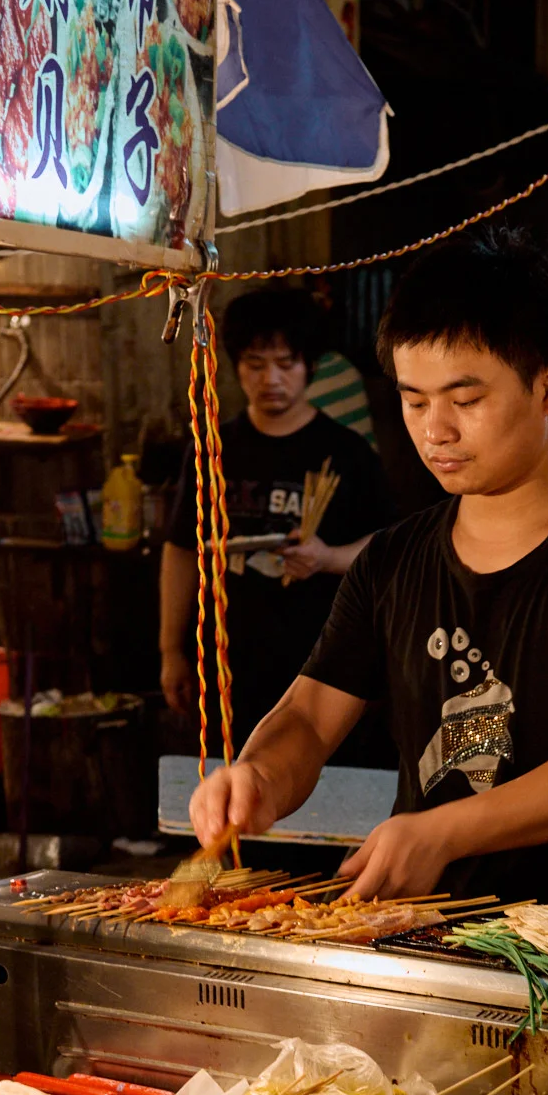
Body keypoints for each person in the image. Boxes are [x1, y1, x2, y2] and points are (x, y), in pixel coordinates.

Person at [186, 228, 548, 907]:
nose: (436, 431)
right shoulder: (392, 561)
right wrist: (258, 776)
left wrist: (443, 832)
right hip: (426, 947)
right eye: (415, 400)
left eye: (466, 400)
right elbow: (309, 718)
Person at [160, 285, 392, 763]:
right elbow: (184, 550)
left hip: (321, 667)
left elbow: (387, 551)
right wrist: (170, 650)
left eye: (286, 364)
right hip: (226, 662)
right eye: (255, 364)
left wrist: (328, 558)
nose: (271, 379)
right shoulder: (210, 450)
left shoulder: (347, 453)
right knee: (233, 798)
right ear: (236, 366)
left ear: (308, 365)